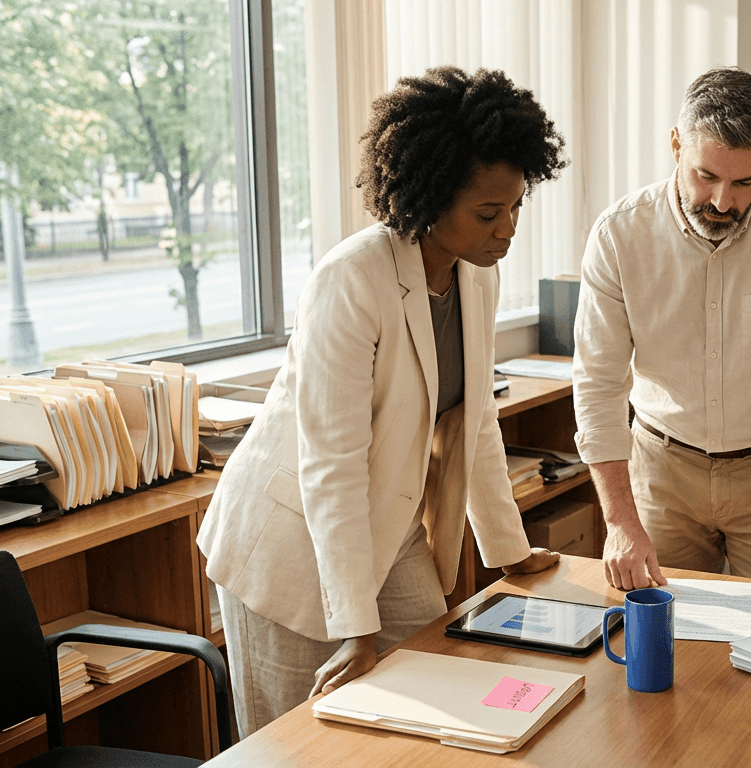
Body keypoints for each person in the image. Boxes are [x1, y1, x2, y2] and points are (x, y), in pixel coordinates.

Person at [197, 66, 568, 737]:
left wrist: (510, 551)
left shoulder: (476, 276)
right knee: (300, 741)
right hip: (294, 539)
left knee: (433, 698)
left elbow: (475, 422)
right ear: (429, 197)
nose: (507, 228)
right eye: (489, 212)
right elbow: (331, 466)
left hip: (389, 532)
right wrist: (355, 629)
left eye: (516, 207)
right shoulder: (351, 281)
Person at [572, 67, 751, 597]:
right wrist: (618, 521)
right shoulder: (620, 234)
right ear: (677, 144)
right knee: (662, 634)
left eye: (745, 182)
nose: (723, 201)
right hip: (662, 471)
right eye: (706, 175)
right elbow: (597, 385)